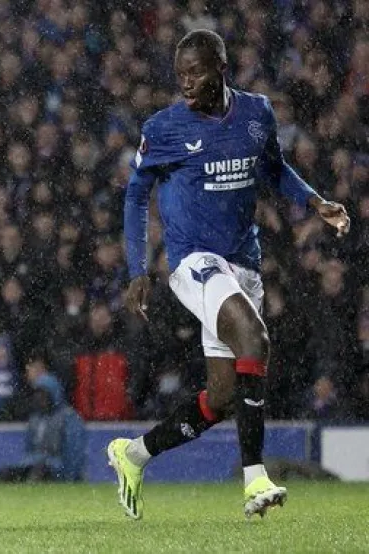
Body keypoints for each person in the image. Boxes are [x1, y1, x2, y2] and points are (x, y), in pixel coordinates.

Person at [111, 30, 351, 520]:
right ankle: (254, 478)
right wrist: (137, 269)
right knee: (253, 337)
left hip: (243, 262)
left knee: (220, 398)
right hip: (192, 261)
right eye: (179, 75)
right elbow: (136, 194)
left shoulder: (257, 113)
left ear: (221, 68)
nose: (185, 84)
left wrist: (314, 200)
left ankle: (133, 454)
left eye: (194, 73)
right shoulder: (164, 128)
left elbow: (276, 168)